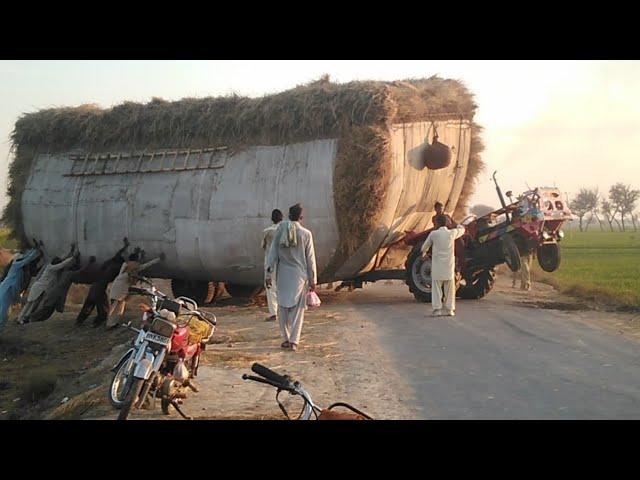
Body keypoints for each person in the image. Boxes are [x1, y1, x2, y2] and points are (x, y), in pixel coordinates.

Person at [265, 203, 317, 352]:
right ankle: (294, 341)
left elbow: (272, 254)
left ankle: (286, 338)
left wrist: (269, 274)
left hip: (282, 275)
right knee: (298, 311)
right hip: (299, 276)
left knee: (282, 308)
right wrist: (313, 280)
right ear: (301, 217)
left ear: (288, 215)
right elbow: (310, 259)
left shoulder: (280, 230)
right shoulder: (306, 234)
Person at [17, 244, 79, 324]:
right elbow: (62, 264)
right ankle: (23, 318)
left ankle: (22, 318)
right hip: (39, 288)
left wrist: (70, 252)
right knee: (31, 304)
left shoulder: (50, 266)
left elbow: (62, 261)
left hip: (39, 287)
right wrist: (73, 257)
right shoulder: (52, 268)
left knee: (31, 304)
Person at [75, 239, 129, 327]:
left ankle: (79, 321)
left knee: (89, 304)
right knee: (103, 310)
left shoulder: (107, 264)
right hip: (100, 289)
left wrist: (125, 246)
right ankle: (96, 324)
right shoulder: (116, 269)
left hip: (94, 286)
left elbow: (117, 255)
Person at [106, 249, 164, 329]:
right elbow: (140, 267)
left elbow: (140, 266)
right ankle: (109, 325)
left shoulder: (125, 269)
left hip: (120, 292)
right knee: (115, 308)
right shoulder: (128, 272)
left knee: (119, 308)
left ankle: (113, 324)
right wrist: (144, 281)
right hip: (118, 292)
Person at [420, 214, 465, 317]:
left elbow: (424, 247)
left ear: (436, 223)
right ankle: (450, 310)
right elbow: (462, 229)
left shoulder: (433, 234)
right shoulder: (452, 233)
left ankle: (437, 310)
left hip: (437, 267)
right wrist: (453, 223)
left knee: (436, 288)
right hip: (448, 267)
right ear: (447, 223)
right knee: (450, 289)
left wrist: (424, 253)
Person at [28, 255, 97, 323]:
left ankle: (33, 318)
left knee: (48, 309)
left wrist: (72, 252)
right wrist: (89, 263)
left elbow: (62, 263)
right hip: (56, 294)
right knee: (47, 309)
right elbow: (81, 271)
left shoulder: (61, 271)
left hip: (53, 292)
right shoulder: (68, 274)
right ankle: (31, 318)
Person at [0, 248, 41, 328]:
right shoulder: (16, 265)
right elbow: (26, 260)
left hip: (7, 289)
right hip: (6, 289)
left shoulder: (16, 264)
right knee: (3, 310)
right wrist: (36, 251)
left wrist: (33, 250)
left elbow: (26, 258)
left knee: (4, 310)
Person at [262, 209, 283, 322]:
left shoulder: (267, 231)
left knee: (270, 287)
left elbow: (263, 246)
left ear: (272, 219)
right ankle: (284, 312)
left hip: (270, 263)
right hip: (284, 262)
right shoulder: (285, 231)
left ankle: (273, 313)